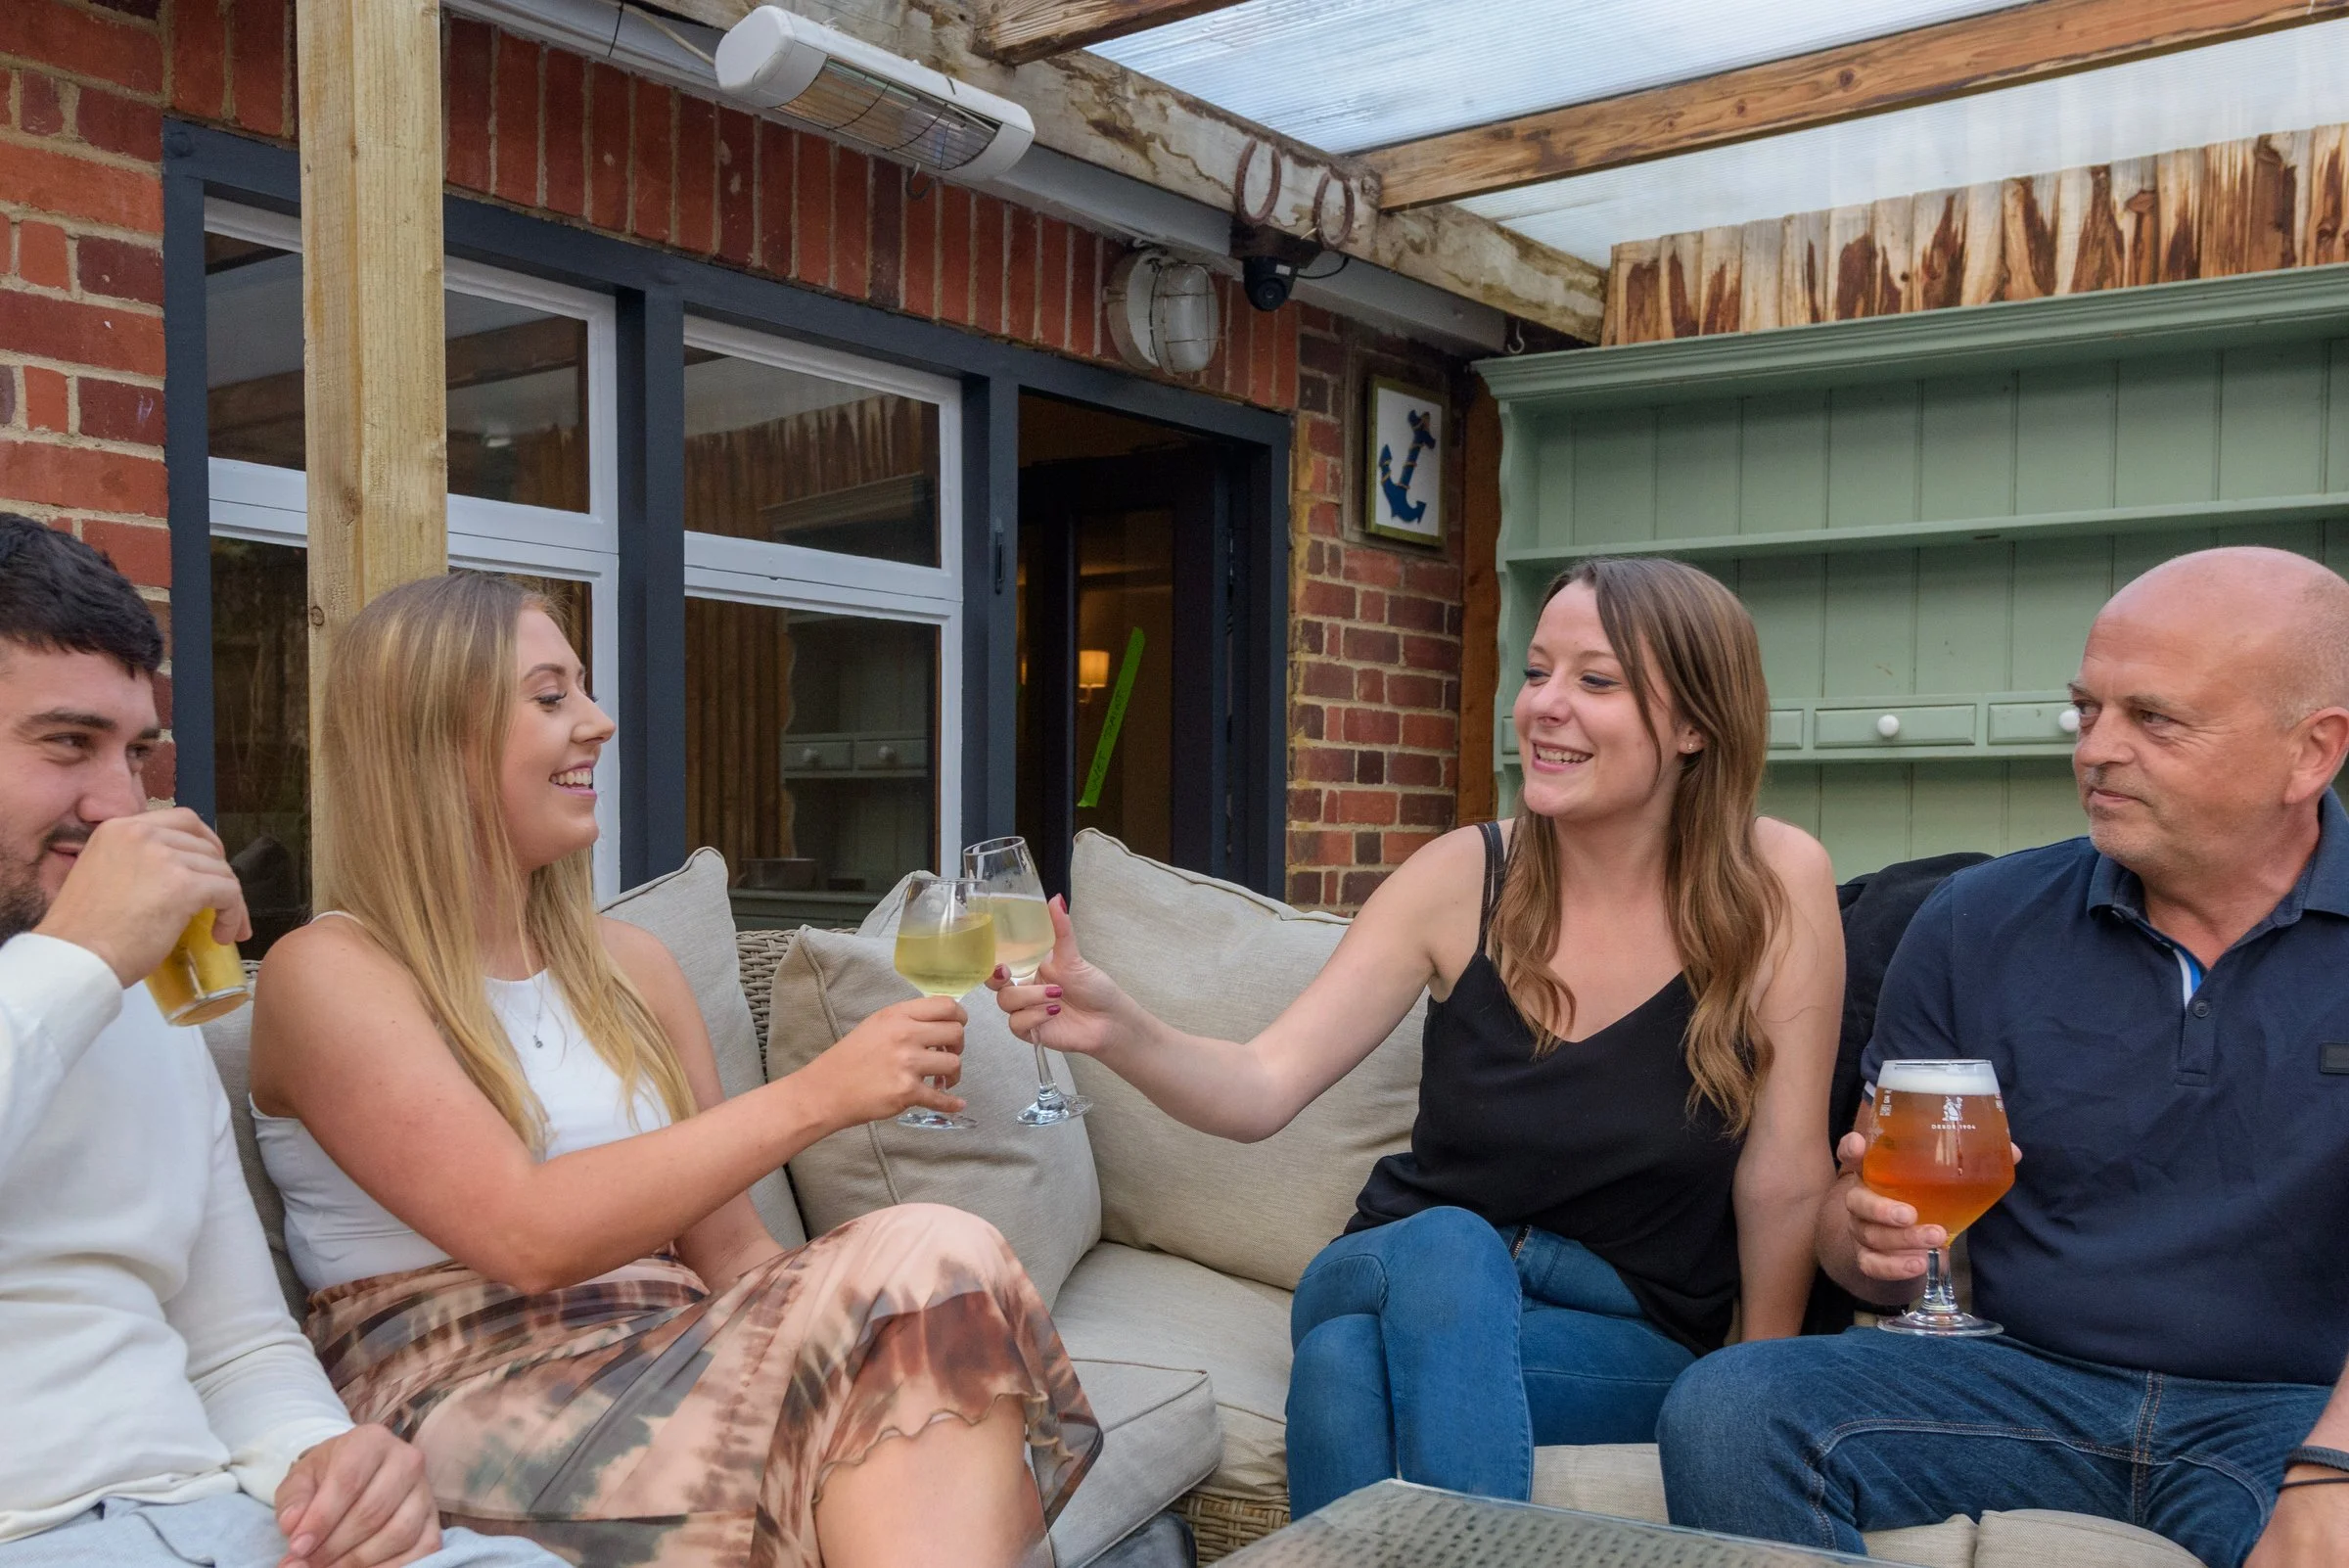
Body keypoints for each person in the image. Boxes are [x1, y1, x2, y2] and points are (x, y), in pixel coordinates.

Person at [250, 574, 1095, 1568]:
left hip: (674, 1351)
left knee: (928, 1315)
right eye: (551, 696)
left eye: (584, 689)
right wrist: (818, 1098)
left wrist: (865, 1327)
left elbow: (732, 1257)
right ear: (437, 738)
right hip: (469, 1391)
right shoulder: (331, 973)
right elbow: (523, 1233)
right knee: (931, 1256)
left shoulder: (631, 967)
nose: (599, 722)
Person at [994, 557, 1843, 1515]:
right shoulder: (1459, 877)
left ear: (1695, 724)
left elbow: (1785, 1173)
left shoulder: (1777, 885)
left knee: (1342, 1371)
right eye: (1536, 672)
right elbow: (1261, 1084)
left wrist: (1757, 1378)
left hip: (1621, 1325)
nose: (1544, 706)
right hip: (1391, 1267)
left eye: (1596, 680)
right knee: (1448, 1247)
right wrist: (1118, 1027)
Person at [1656, 546, 2349, 1568]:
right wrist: (1866, 1236)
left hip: (2285, 1407)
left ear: (2312, 752)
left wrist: (2332, 1464)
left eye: (2153, 719)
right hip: (2024, 1382)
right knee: (1731, 1406)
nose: (2096, 750)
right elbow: (1860, 1247)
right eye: (2086, 710)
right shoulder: (1975, 921)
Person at [0, 516, 555, 1568]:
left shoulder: (130, 999)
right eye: (68, 743)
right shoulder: (87, 972)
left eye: (137, 754)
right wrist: (83, 961)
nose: (121, 805)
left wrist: (326, 1459)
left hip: (211, 1522)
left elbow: (236, 1346)